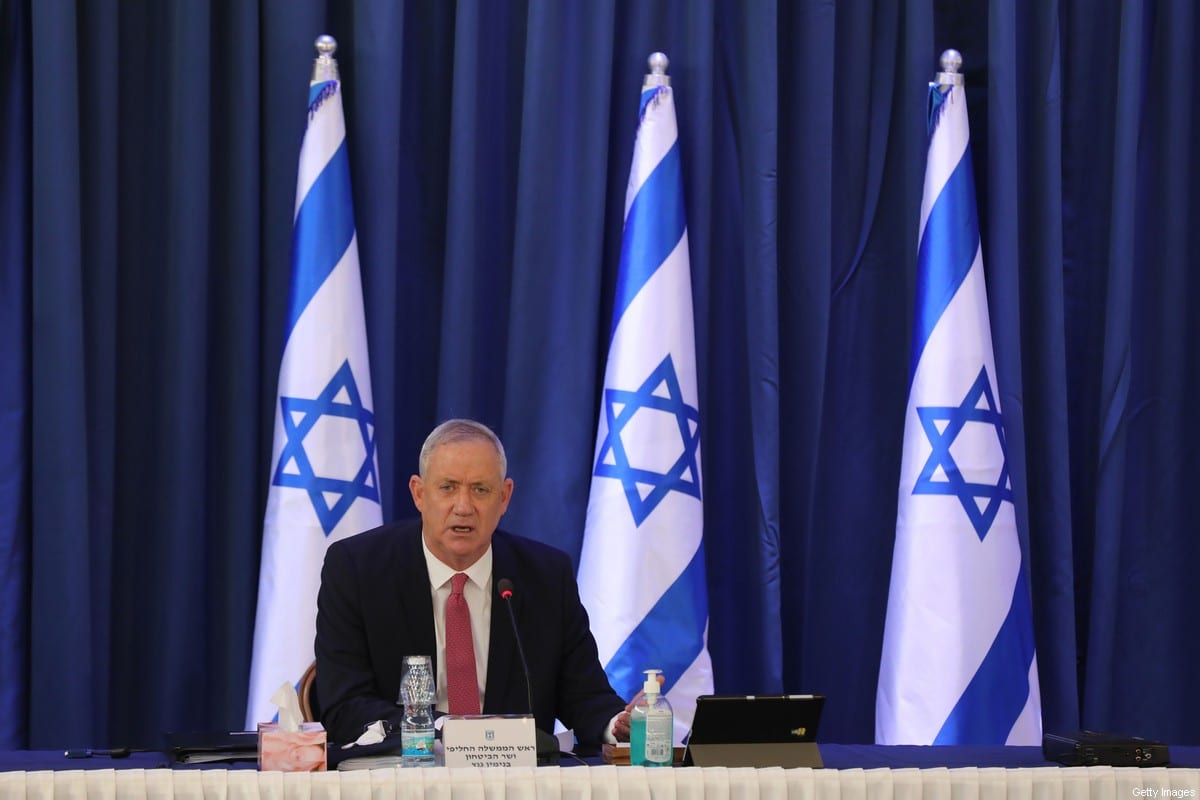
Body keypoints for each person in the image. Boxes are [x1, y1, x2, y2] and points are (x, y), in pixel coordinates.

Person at [315, 418, 634, 746]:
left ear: (505, 497)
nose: (464, 507)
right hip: (401, 780)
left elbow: (585, 696)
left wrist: (620, 724)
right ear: (419, 494)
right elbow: (345, 706)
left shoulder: (546, 577)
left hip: (517, 784)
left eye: (480, 490)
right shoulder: (357, 569)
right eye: (448, 487)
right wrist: (452, 733)